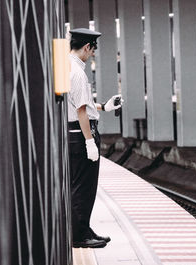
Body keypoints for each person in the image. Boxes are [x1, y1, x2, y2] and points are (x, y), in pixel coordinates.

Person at [68, 28, 121, 248]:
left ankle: (83, 229)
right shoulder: (77, 73)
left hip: (75, 132)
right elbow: (81, 111)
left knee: (81, 186)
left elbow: (80, 105)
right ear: (87, 47)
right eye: (92, 50)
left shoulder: (68, 67)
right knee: (84, 188)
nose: (92, 54)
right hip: (81, 135)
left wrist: (104, 107)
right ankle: (80, 235)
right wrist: (90, 142)